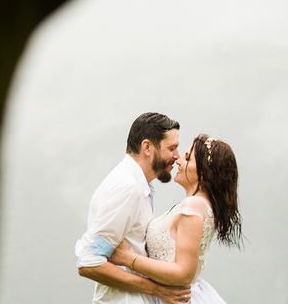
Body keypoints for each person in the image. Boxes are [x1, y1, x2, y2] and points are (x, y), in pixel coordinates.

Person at [108, 134, 242, 304]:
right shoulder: (202, 206)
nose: (178, 160)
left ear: (203, 171)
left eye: (187, 158)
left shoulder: (193, 206)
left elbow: (183, 272)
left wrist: (127, 258)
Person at [75, 113, 190, 304]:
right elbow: (89, 262)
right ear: (147, 147)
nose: (177, 156)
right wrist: (157, 290)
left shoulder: (136, 185)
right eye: (172, 148)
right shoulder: (129, 188)